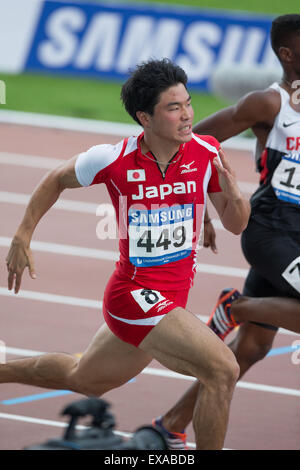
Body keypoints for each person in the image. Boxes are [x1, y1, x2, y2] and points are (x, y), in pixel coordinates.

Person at [2, 59, 250, 450]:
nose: (187, 116)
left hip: (173, 297)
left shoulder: (207, 152)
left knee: (84, 377)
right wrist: (22, 234)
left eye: (187, 103)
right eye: (174, 108)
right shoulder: (112, 159)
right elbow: (56, 179)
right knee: (222, 370)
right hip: (132, 296)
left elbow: (236, 224)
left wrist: (234, 194)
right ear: (144, 117)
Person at [152, 14, 300, 449]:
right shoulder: (268, 104)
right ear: (288, 55)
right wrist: (200, 207)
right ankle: (236, 307)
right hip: (272, 232)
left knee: (250, 349)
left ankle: (171, 423)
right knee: (249, 327)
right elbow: (194, 141)